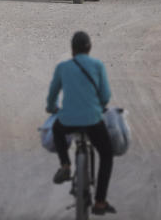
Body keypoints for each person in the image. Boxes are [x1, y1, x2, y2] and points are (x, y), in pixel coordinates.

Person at [46, 31, 116, 215]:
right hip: (93, 121)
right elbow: (106, 95)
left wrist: (52, 108)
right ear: (90, 48)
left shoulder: (63, 67)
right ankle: (100, 202)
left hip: (67, 120)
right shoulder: (98, 65)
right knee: (107, 154)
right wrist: (99, 107)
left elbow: (52, 95)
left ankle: (65, 165)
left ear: (72, 50)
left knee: (57, 128)